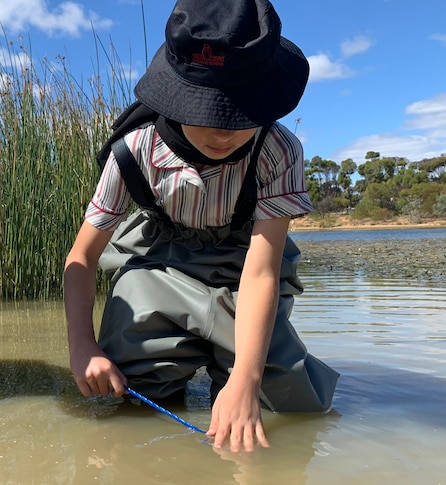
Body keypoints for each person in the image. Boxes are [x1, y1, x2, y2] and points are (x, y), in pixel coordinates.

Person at [63, 0, 338, 452]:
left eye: (241, 112)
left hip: (244, 264)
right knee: (129, 369)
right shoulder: (133, 152)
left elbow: (263, 270)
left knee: (285, 394)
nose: (223, 132)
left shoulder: (279, 151)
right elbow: (82, 256)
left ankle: (233, 380)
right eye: (207, 111)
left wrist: (245, 383)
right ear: (176, 93)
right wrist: (82, 347)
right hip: (159, 264)